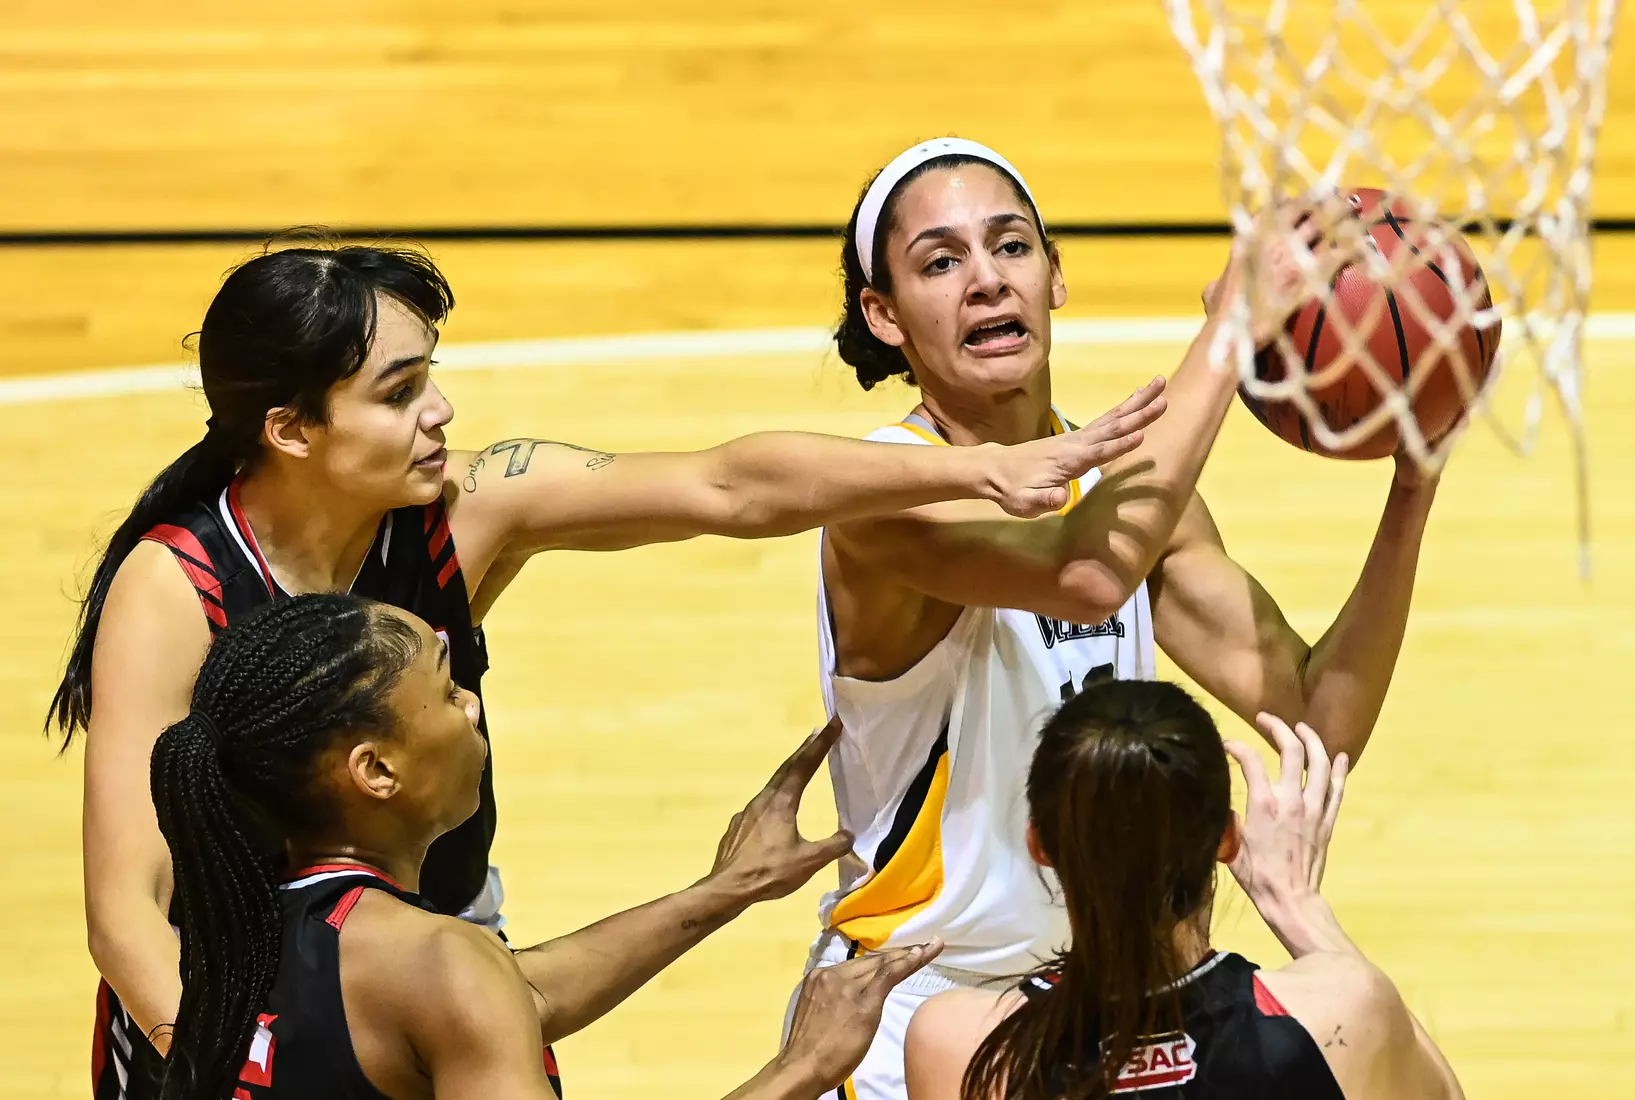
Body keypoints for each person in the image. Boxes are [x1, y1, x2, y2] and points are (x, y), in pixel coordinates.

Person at [49, 241, 1164, 1098]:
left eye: (428, 376)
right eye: (396, 392)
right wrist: (238, 1070)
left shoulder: (460, 514)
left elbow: (733, 486)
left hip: (422, 930)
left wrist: (979, 470)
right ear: (291, 430)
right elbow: (128, 908)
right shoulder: (179, 584)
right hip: (224, 1006)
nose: (438, 410)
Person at [803, 137, 1439, 1100]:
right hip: (916, 1010)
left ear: (1056, 277)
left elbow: (1311, 719)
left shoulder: (1136, 500)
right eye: (942, 262)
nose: (985, 281)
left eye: (1010, 247)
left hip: (1099, 999)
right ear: (884, 316)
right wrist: (1232, 325)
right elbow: (1086, 572)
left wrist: (1413, 486)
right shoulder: (884, 495)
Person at [149, 592, 942, 1100]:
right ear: (377, 769)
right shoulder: (435, 964)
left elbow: (514, 1000)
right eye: (447, 687)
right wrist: (801, 1068)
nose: (471, 707)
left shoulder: (244, 934)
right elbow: (479, 997)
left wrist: (725, 889)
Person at [901, 681, 1464, 1100]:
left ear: (1039, 845)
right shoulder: (1338, 1014)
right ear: (1227, 838)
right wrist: (1301, 911)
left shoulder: (965, 1046)